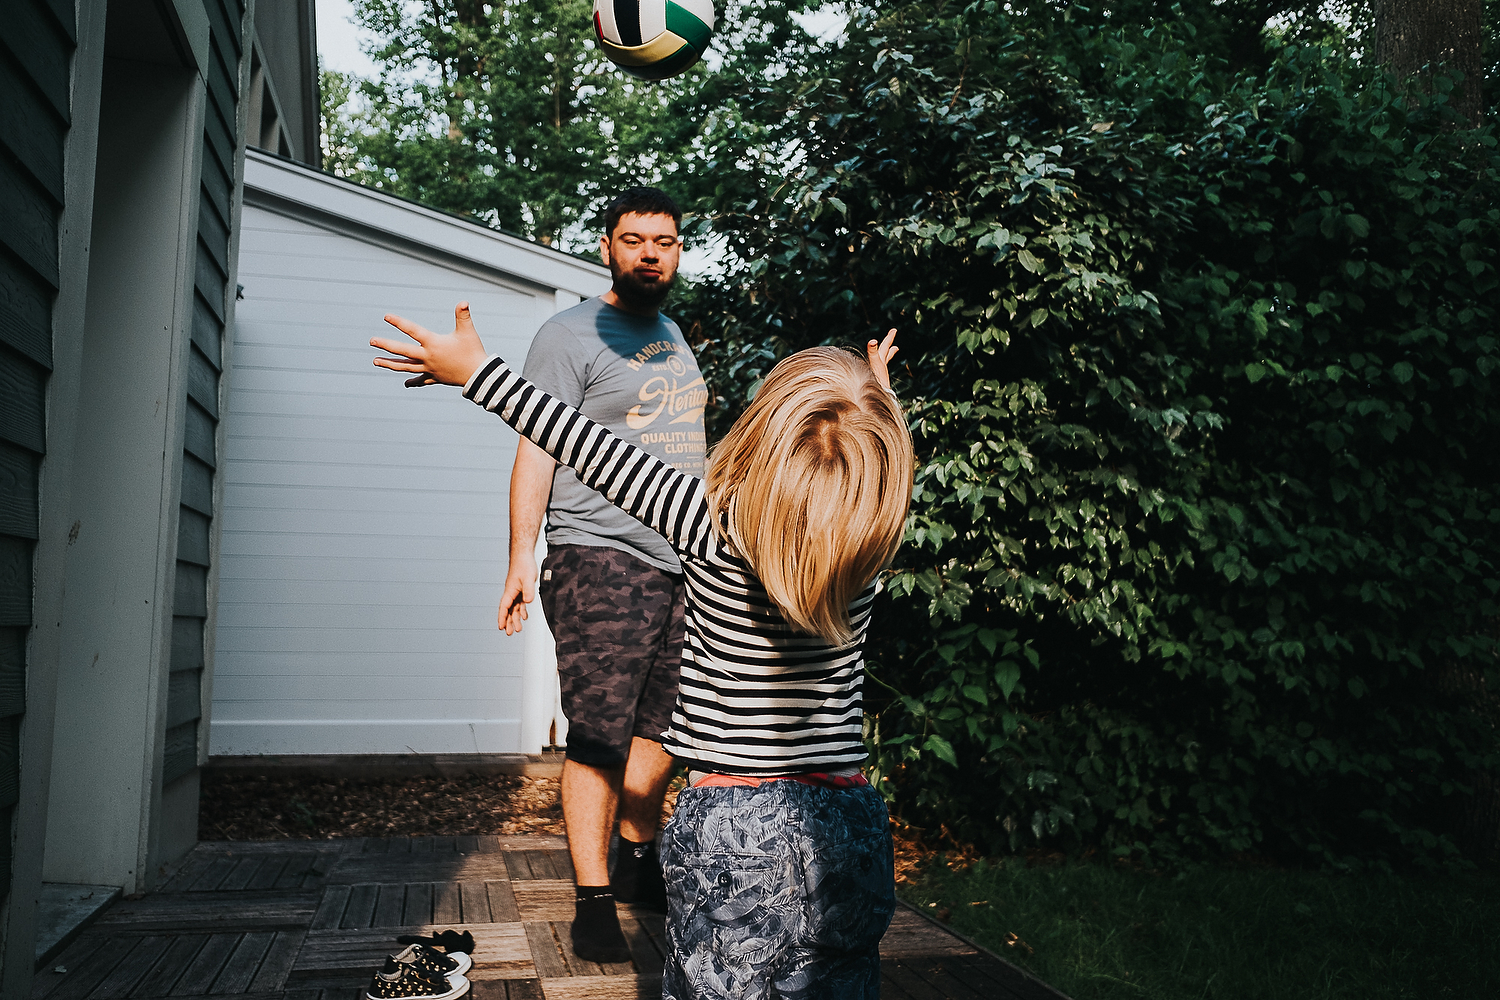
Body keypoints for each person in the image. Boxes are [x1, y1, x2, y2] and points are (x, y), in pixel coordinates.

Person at [372, 305, 912, 999]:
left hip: (735, 823)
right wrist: (877, 400)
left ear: (760, 437)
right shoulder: (866, 544)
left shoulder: (707, 522)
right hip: (849, 820)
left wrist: (477, 371)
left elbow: (585, 443)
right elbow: (871, 473)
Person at [495, 188, 706, 961]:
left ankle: (637, 861)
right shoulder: (568, 334)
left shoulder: (675, 333)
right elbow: (534, 446)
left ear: (679, 250)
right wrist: (522, 555)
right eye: (634, 239)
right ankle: (592, 899)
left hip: (682, 558)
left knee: (665, 724)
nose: (651, 252)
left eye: (666, 241)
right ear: (608, 247)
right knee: (600, 732)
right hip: (598, 555)